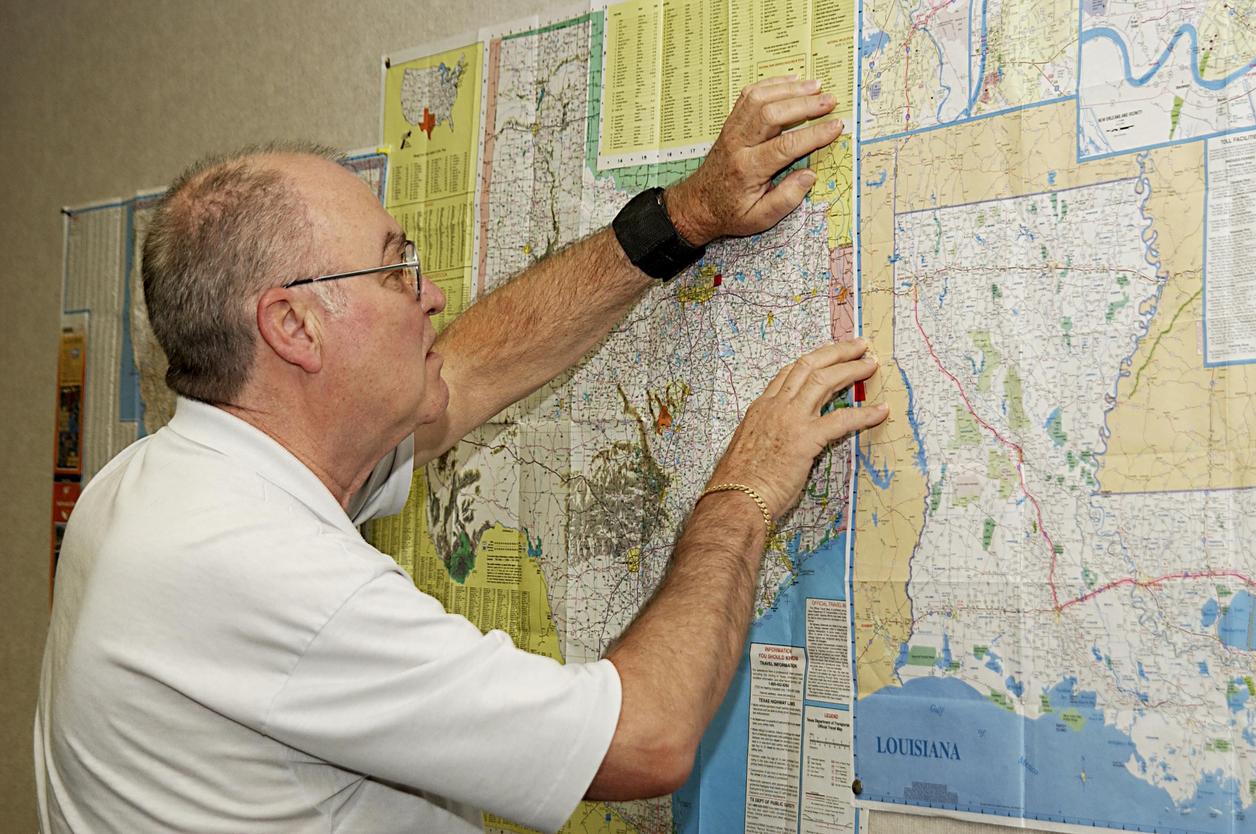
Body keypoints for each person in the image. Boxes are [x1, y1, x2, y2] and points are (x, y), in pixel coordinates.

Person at [35, 77, 888, 832]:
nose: (431, 291)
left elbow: (469, 371)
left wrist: (685, 217)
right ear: (291, 326)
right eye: (393, 267)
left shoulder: (160, 484)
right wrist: (741, 491)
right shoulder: (259, 569)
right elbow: (645, 738)